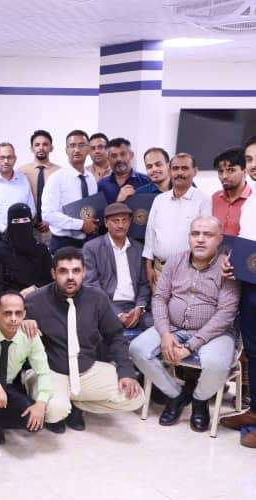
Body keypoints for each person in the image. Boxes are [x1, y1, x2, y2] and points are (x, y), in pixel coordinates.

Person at [130, 216, 240, 431]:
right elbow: (159, 298)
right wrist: (165, 334)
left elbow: (226, 313)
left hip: (214, 333)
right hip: (172, 327)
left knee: (217, 364)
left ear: (219, 239)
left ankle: (199, 400)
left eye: (207, 235)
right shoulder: (175, 261)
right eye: (195, 234)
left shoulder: (227, 268)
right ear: (189, 237)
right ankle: (176, 395)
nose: (200, 239)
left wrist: (190, 346)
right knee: (137, 349)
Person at [24, 247, 145, 433]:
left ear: (84, 272)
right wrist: (23, 321)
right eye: (63, 271)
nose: (70, 277)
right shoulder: (35, 300)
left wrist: (126, 371)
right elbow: (7, 318)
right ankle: (62, 404)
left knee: (135, 396)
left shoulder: (97, 298)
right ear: (53, 273)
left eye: (76, 271)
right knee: (55, 411)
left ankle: (75, 403)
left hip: (86, 369)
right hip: (51, 371)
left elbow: (115, 335)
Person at [0, 292, 53, 442]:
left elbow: (43, 371)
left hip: (8, 386)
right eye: (7, 313)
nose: (13, 318)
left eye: (18, 313)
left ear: (24, 314)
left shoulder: (30, 335)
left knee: (34, 421)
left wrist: (41, 402)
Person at [219, 182, 256, 447]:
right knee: (253, 351)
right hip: (250, 284)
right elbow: (246, 240)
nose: (254, 165)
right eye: (251, 162)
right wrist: (230, 261)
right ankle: (254, 411)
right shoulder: (252, 200)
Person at [142, 153, 211, 290]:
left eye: (184, 168)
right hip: (159, 270)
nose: (179, 173)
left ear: (195, 171)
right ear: (170, 171)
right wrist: (149, 267)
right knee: (158, 304)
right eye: (175, 168)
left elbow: (206, 239)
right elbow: (150, 235)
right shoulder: (159, 200)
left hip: (189, 272)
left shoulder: (203, 200)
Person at [83, 203, 152, 330]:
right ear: (106, 223)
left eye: (124, 220)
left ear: (130, 222)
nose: (121, 225)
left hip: (133, 305)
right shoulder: (92, 248)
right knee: (102, 326)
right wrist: (117, 314)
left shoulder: (138, 248)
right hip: (107, 305)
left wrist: (139, 307)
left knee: (152, 324)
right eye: (116, 221)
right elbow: (91, 285)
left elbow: (144, 284)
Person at [41, 129, 100, 252]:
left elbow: (91, 210)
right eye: (72, 145)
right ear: (66, 150)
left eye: (81, 145)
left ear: (88, 149)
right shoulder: (56, 178)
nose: (77, 150)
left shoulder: (91, 179)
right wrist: (81, 225)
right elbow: (48, 214)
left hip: (88, 241)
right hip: (63, 242)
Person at [0, 203, 52, 295]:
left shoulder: (41, 249)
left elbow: (49, 278)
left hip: (38, 296)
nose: (21, 224)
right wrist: (16, 295)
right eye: (16, 221)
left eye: (25, 220)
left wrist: (36, 288)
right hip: (10, 299)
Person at [17, 129, 59, 236]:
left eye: (45, 144)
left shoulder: (60, 172)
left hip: (53, 228)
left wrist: (52, 220)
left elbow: (64, 200)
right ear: (31, 149)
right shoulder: (20, 172)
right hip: (28, 228)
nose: (41, 147)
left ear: (51, 148)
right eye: (37, 145)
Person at [97, 137, 150, 204]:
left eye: (123, 154)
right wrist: (118, 201)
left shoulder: (146, 181)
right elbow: (98, 211)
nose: (119, 159)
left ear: (131, 155)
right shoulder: (101, 185)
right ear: (108, 159)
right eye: (114, 156)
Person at [211, 148, 251, 236]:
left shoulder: (253, 199)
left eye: (231, 170)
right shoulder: (214, 198)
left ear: (244, 171)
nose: (224, 176)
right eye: (220, 171)